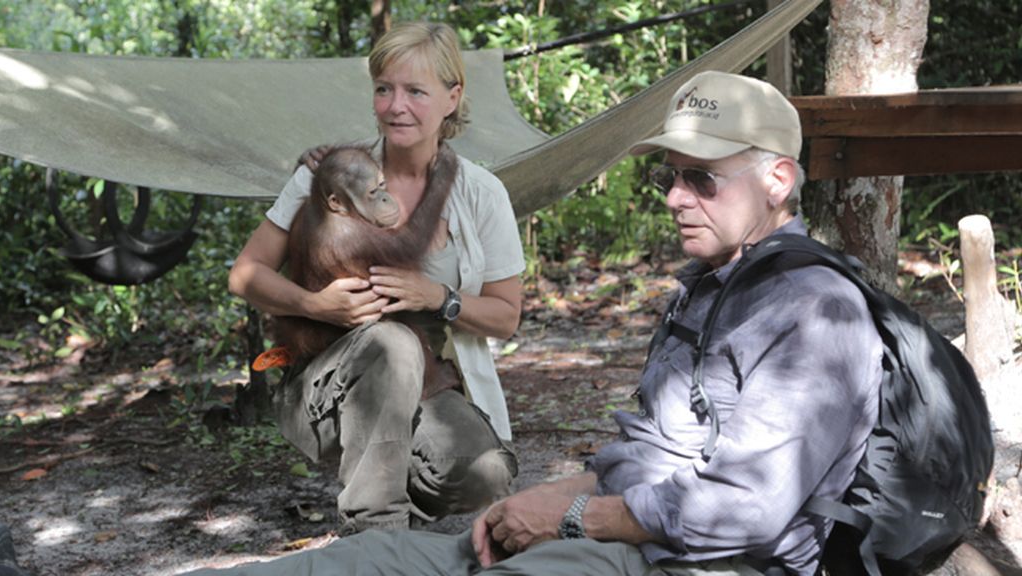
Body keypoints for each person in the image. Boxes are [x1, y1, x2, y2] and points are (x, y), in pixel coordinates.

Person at [193, 71, 883, 576]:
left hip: (684, 561)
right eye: (669, 177)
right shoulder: (708, 288)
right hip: (618, 533)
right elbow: (658, 455)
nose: (676, 198)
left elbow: (745, 511)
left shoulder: (814, 311)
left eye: (702, 178)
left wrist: (576, 515)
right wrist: (561, 494)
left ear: (778, 180)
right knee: (359, 561)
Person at [227, 21, 524, 535]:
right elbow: (244, 275)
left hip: (426, 384)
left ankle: (388, 489)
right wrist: (315, 304)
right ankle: (375, 533)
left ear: (452, 98)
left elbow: (506, 316)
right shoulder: (332, 174)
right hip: (327, 386)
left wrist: (440, 297)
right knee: (391, 343)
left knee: (486, 474)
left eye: (415, 92)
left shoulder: (480, 193)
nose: (395, 106)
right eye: (384, 89)